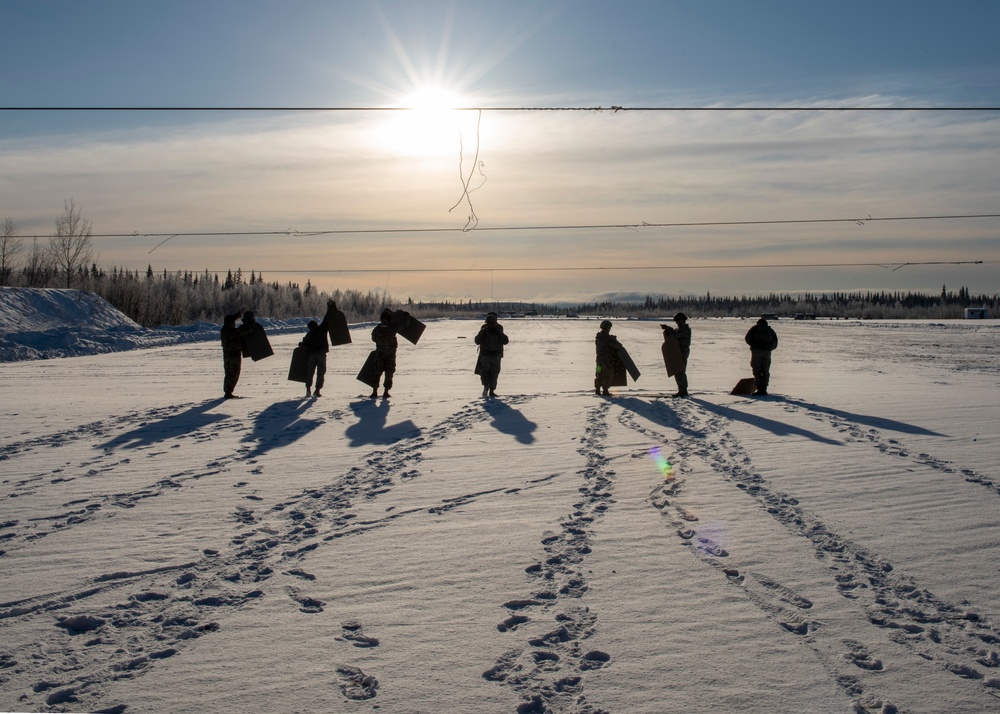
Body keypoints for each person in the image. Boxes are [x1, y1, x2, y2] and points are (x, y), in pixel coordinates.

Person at [299, 300, 336, 397]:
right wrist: (330, 307)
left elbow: (304, 345)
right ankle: (317, 390)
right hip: (321, 355)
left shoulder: (309, 335)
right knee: (321, 373)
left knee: (310, 372)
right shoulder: (322, 330)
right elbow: (327, 318)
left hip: (312, 356)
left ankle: (308, 389)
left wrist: (300, 345)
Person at [474, 312, 510, 398]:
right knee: (494, 373)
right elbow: (505, 341)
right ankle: (492, 391)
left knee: (485, 372)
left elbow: (477, 341)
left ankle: (486, 386)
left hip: (485, 355)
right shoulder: (499, 329)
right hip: (496, 356)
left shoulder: (484, 329)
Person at [220, 311, 254, 399]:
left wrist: (238, 314)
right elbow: (241, 331)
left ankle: (228, 391)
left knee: (229, 373)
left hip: (228, 356)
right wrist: (251, 324)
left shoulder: (225, 329)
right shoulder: (229, 331)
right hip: (233, 356)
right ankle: (228, 392)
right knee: (233, 373)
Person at [745, 317, 779, 396]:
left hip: (756, 351)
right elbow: (775, 342)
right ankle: (764, 389)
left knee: (757, 370)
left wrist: (753, 345)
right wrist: (769, 348)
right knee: (765, 371)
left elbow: (747, 338)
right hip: (767, 352)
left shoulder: (755, 328)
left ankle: (759, 388)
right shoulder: (770, 330)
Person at [662, 312, 692, 397]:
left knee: (680, 371)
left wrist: (668, 328)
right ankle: (682, 390)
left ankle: (683, 390)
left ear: (681, 321)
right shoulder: (681, 328)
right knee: (678, 371)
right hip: (679, 351)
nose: (676, 323)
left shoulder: (684, 329)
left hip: (682, 351)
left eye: (677, 321)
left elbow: (675, 335)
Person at [370, 308, 398, 399]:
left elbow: (373, 338)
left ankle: (374, 392)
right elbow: (404, 325)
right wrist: (406, 317)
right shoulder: (392, 327)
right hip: (390, 354)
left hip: (380, 353)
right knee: (389, 372)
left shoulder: (377, 328)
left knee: (377, 372)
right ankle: (386, 392)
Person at [594, 319, 622, 396]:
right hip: (606, 360)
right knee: (608, 374)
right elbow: (617, 346)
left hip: (598, 359)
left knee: (599, 374)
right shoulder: (606, 337)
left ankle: (597, 390)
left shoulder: (599, 336)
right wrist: (614, 340)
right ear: (607, 328)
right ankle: (605, 390)